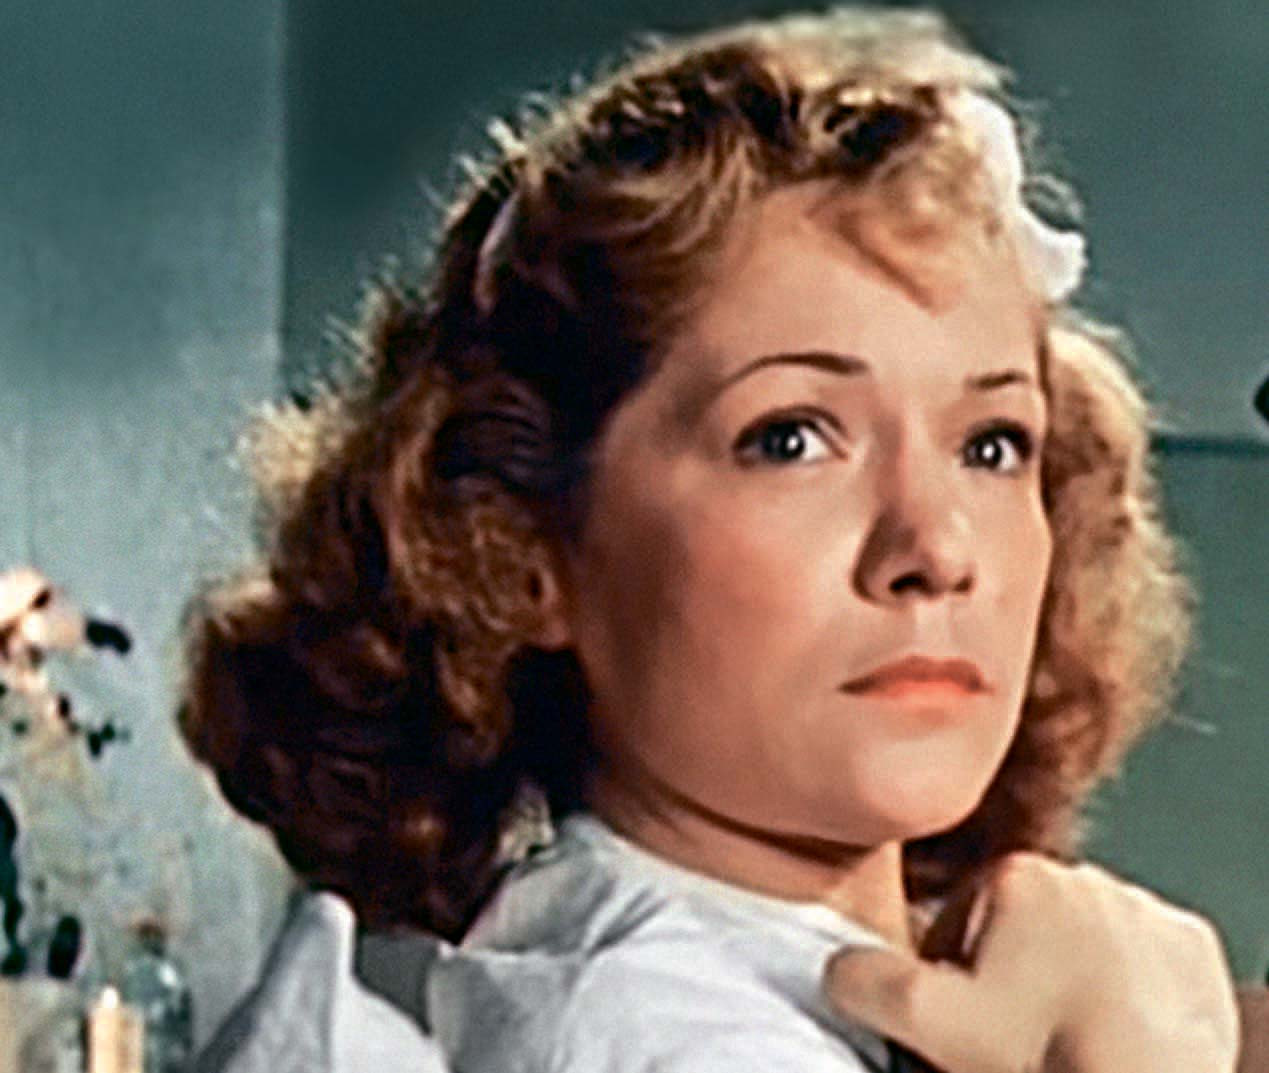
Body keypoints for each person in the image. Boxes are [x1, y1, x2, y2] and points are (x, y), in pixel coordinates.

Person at [179, 8, 1241, 1072]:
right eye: (790, 438)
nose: (937, 546)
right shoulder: (654, 1034)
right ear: (516, 551)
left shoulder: (804, 974)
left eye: (993, 445)